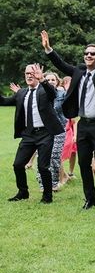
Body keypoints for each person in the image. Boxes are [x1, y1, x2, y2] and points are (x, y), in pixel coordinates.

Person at [42, 28, 95, 211]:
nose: (88, 55)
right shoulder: (79, 72)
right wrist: (48, 49)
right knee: (83, 163)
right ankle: (90, 198)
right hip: (83, 124)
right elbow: (61, 65)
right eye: (86, 53)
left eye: (93, 53)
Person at [1, 64, 64, 203]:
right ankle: (23, 192)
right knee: (18, 165)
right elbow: (5, 101)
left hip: (45, 134)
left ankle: (47, 196)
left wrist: (43, 80)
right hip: (29, 135)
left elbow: (53, 94)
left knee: (43, 167)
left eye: (32, 73)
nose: (29, 75)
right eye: (27, 73)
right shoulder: (22, 93)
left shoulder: (44, 90)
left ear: (37, 74)